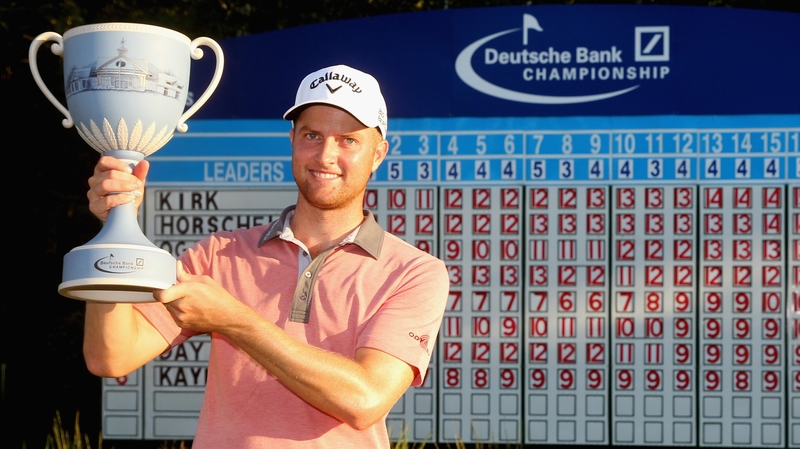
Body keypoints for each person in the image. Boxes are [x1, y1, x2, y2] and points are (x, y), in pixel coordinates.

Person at [83, 64, 450, 448]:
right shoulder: (221, 254)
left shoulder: (414, 272)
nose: (326, 155)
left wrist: (235, 320)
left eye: (348, 140)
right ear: (292, 140)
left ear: (378, 154)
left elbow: (364, 400)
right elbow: (110, 357)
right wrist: (115, 229)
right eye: (313, 135)